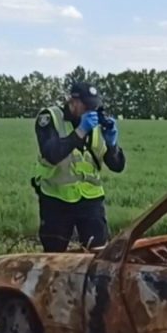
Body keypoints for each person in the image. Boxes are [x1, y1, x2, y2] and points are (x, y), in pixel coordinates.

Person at [32, 81, 125, 252]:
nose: (91, 110)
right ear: (72, 101)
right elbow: (52, 154)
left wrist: (112, 144)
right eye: (87, 106)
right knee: (54, 256)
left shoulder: (95, 124)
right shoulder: (50, 117)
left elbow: (117, 166)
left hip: (91, 200)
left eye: (94, 106)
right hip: (56, 199)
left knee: (97, 253)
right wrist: (80, 131)